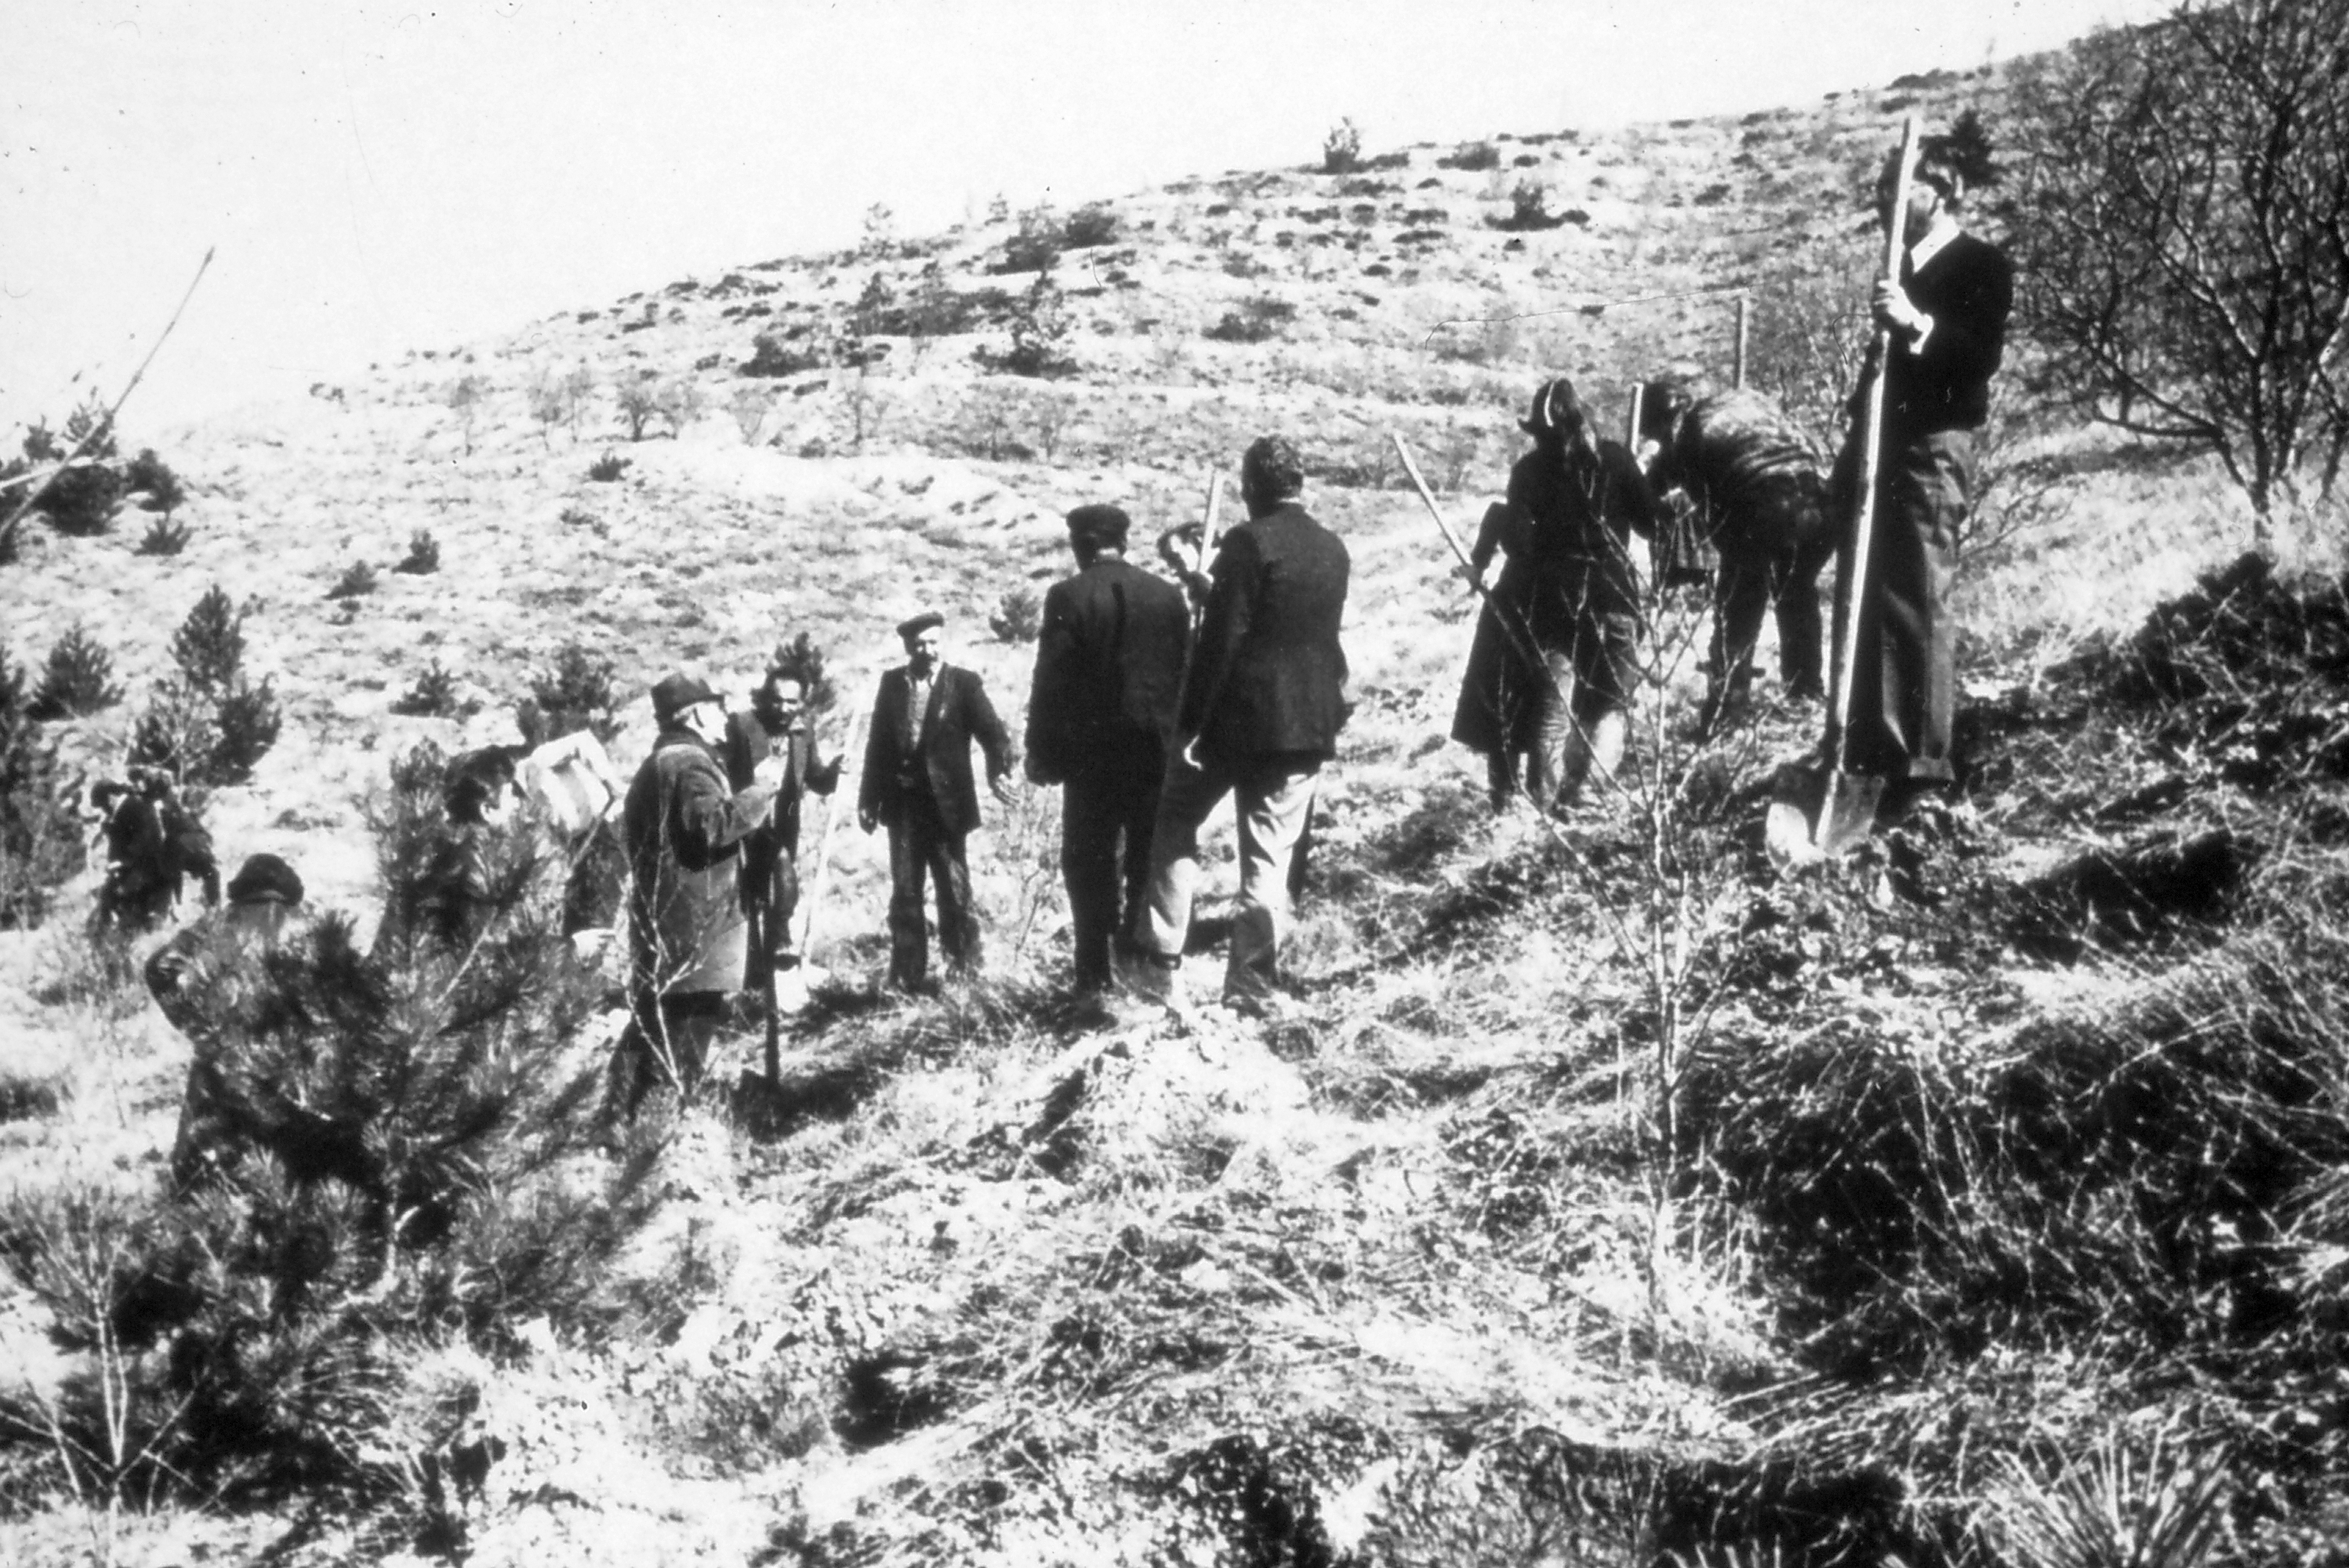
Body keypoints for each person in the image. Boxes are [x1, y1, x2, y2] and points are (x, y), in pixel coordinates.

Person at [1128, 436, 1349, 1013]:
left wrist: (1190, 727)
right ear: (1301, 484)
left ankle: (1162, 967)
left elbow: (1225, 642)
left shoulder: (1246, 542)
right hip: (1304, 726)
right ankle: (1250, 985)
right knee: (1269, 859)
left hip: (1237, 725)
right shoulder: (1333, 549)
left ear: (1251, 488)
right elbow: (1292, 626)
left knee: (1174, 819)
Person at [1831, 132, 2014, 817]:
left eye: (1896, 188)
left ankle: (1924, 768)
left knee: (1917, 595)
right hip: (1881, 448)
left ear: (1938, 192)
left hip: (1933, 449)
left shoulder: (1979, 264)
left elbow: (1978, 358)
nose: (1883, 201)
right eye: (1881, 188)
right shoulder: (1900, 268)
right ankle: (1870, 752)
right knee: (1869, 591)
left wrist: (1915, 323)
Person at [1451, 377, 1660, 811]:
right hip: (1611, 596)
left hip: (1551, 604)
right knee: (1610, 703)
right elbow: (1650, 524)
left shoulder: (1527, 472)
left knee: (1553, 707)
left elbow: (1519, 542)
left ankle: (1540, 809)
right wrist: (1641, 476)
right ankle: (1581, 799)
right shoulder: (1616, 460)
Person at [1025, 504, 1192, 992]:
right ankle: (1141, 966)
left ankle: (1094, 973)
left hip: (1092, 760)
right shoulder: (1167, 596)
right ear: (1124, 541)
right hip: (1155, 756)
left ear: (1080, 545)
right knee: (1146, 858)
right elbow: (1186, 675)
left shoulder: (1069, 596)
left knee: (1088, 862)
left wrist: (1042, 753)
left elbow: (1051, 682)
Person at [616, 673, 791, 1114]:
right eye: (716, 707)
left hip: (673, 924)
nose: (724, 717)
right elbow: (711, 830)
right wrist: (763, 788)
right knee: (682, 1040)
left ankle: (620, 1126)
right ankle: (661, 1131)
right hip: (695, 930)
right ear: (695, 714)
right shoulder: (688, 764)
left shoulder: (664, 762)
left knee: (655, 1033)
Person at [1638, 380, 1835, 728]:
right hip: (1817, 504)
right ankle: (1804, 695)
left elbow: (1668, 494)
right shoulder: (1744, 400)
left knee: (1738, 610)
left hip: (1762, 505)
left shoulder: (1689, 433)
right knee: (1797, 594)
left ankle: (1726, 714)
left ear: (1667, 420)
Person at [859, 613, 1015, 992]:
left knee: (954, 889)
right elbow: (878, 744)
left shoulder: (963, 683)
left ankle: (963, 968)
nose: (927, 651)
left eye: (933, 643)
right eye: (919, 645)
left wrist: (999, 770)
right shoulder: (892, 684)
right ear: (907, 647)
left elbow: (993, 733)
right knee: (906, 893)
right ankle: (907, 975)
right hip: (903, 806)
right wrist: (868, 798)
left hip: (947, 807)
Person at [148, 852, 318, 1191]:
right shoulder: (308, 923)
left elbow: (159, 968)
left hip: (222, 1052)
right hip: (290, 1055)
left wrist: (194, 1025)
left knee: (197, 1168)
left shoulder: (214, 924)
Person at [723, 663, 843, 990]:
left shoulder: (802, 732)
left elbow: (815, 777)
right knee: (749, 897)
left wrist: (834, 772)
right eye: (778, 701)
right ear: (764, 699)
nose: (785, 709)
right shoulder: (741, 726)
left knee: (781, 889)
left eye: (793, 702)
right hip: (743, 829)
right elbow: (721, 772)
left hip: (783, 826)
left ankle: (776, 956)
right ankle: (753, 972)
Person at [91, 769, 217, 934]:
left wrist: (124, 865)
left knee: (145, 925)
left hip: (154, 876)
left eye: (102, 807)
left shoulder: (131, 807)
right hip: (157, 875)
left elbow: (149, 841)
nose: (103, 812)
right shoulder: (134, 806)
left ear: (110, 798)